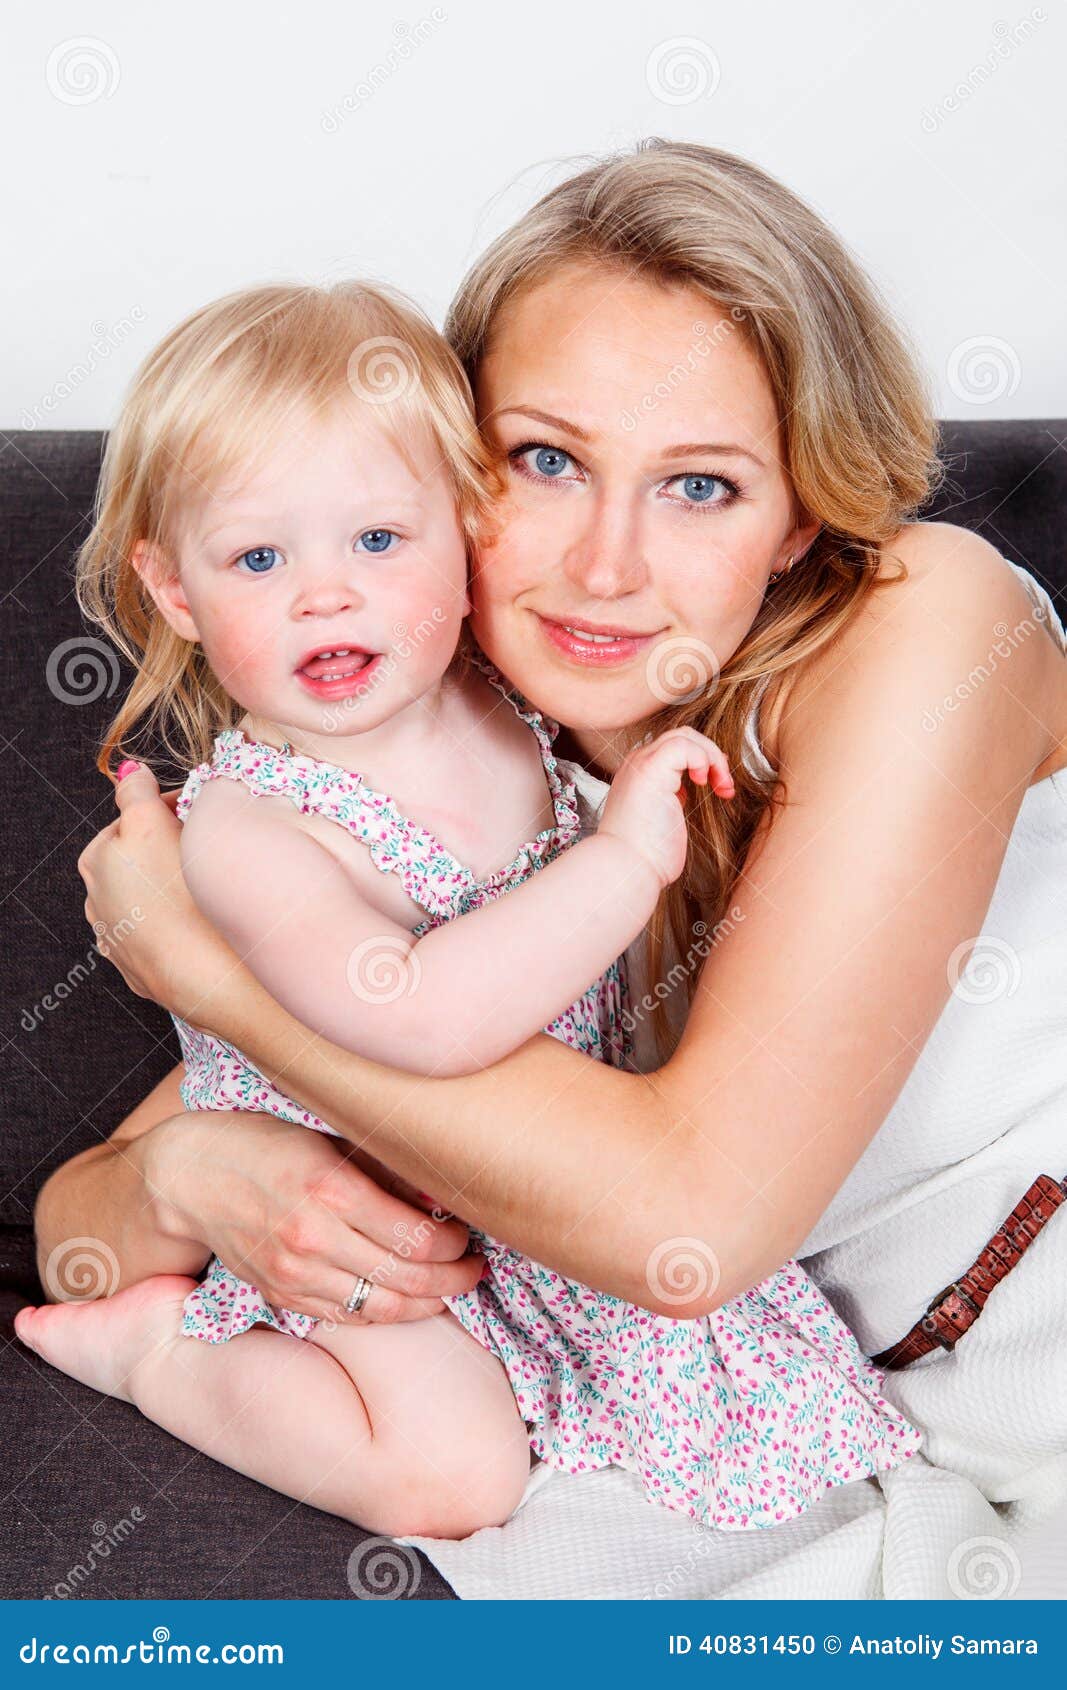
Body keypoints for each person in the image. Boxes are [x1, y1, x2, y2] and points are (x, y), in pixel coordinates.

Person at [31, 143, 1067, 1512]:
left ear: (800, 514)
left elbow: (687, 1216)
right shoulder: (469, 758)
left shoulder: (932, 620)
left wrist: (209, 975)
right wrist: (190, 1176)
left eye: (701, 485)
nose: (605, 565)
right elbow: (76, 1226)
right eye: (548, 459)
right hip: (811, 1429)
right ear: (450, 474)